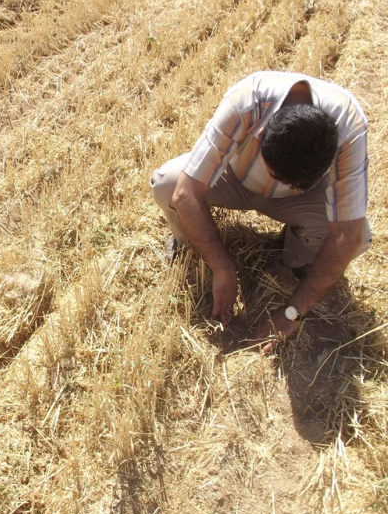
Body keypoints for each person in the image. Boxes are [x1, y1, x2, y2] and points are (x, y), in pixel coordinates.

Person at [150, 71, 371, 352]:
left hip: (298, 201)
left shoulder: (349, 128)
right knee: (166, 185)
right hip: (235, 178)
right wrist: (221, 267)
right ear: (264, 135)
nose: (284, 184)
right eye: (278, 175)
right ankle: (187, 242)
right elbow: (186, 192)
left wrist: (294, 311)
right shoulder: (246, 102)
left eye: (298, 181)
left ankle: (297, 254)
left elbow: (348, 234)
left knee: (358, 238)